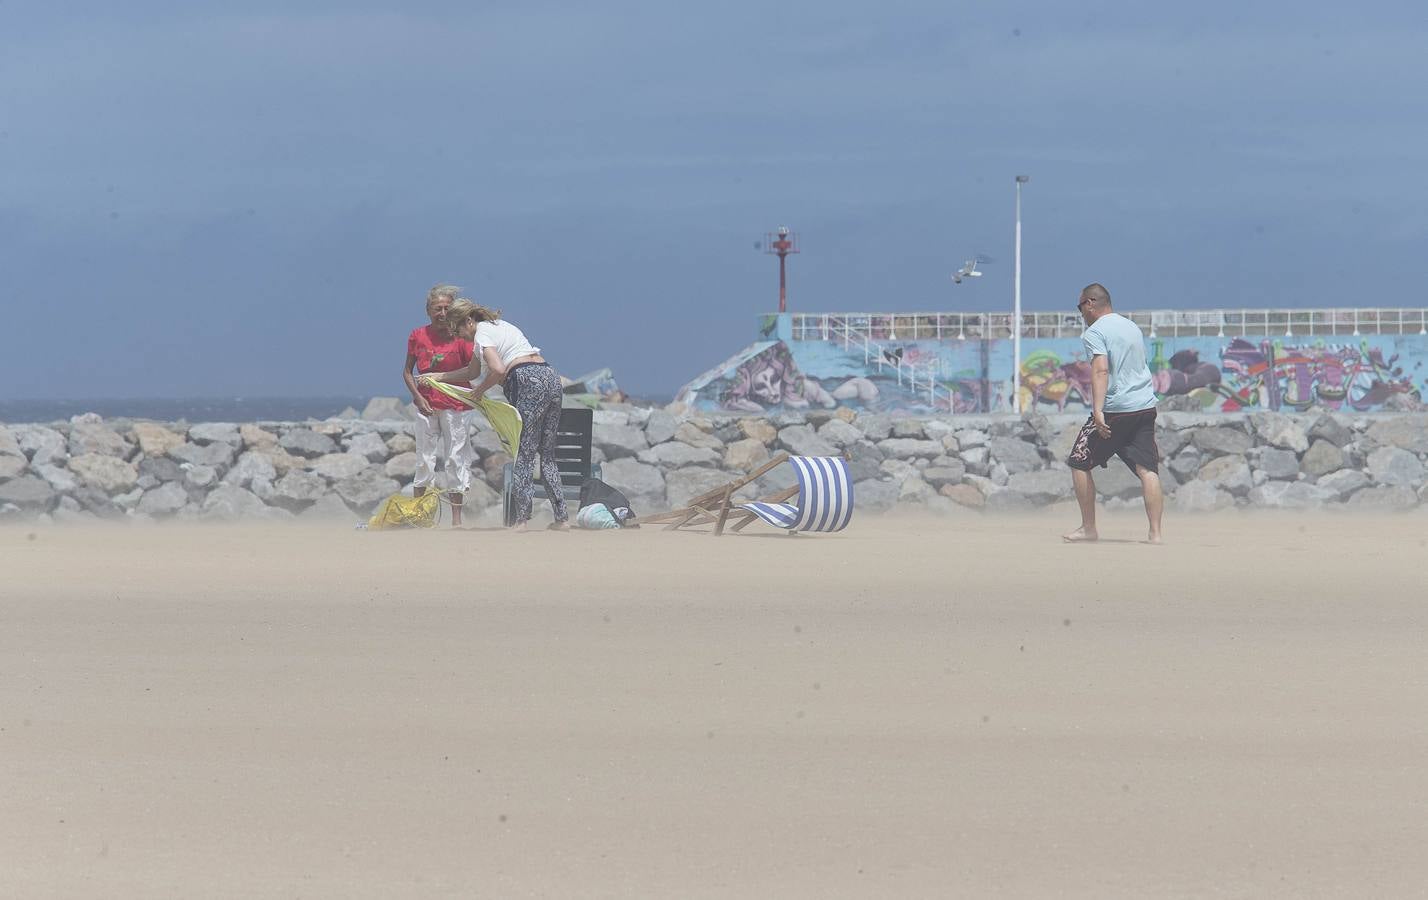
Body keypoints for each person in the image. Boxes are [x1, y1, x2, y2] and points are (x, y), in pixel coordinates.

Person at [430, 300, 570, 531]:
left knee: (522, 452)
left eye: (458, 330)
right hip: (550, 376)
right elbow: (471, 371)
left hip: (526, 380)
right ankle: (562, 518)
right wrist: (439, 376)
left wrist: (480, 391)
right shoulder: (499, 326)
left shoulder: (482, 333)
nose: (458, 336)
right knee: (547, 454)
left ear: (469, 321)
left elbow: (498, 369)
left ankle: (522, 520)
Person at [1063, 283, 1164, 544]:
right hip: (1144, 407)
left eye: (1080, 307)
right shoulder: (1131, 327)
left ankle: (1088, 528)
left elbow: (1101, 371)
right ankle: (1155, 534)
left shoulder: (1094, 332)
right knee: (1147, 470)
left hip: (1116, 410)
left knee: (1078, 462)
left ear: (1090, 303)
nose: (1081, 313)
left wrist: (1098, 411)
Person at [403, 284, 476, 526]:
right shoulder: (418, 335)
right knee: (424, 459)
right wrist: (417, 396)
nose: (442, 313)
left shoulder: (461, 337)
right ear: (428, 311)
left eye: (447, 308)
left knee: (455, 458)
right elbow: (407, 372)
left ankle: (456, 520)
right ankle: (419, 515)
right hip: (426, 404)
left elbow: (472, 370)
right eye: (437, 308)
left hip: (457, 405)